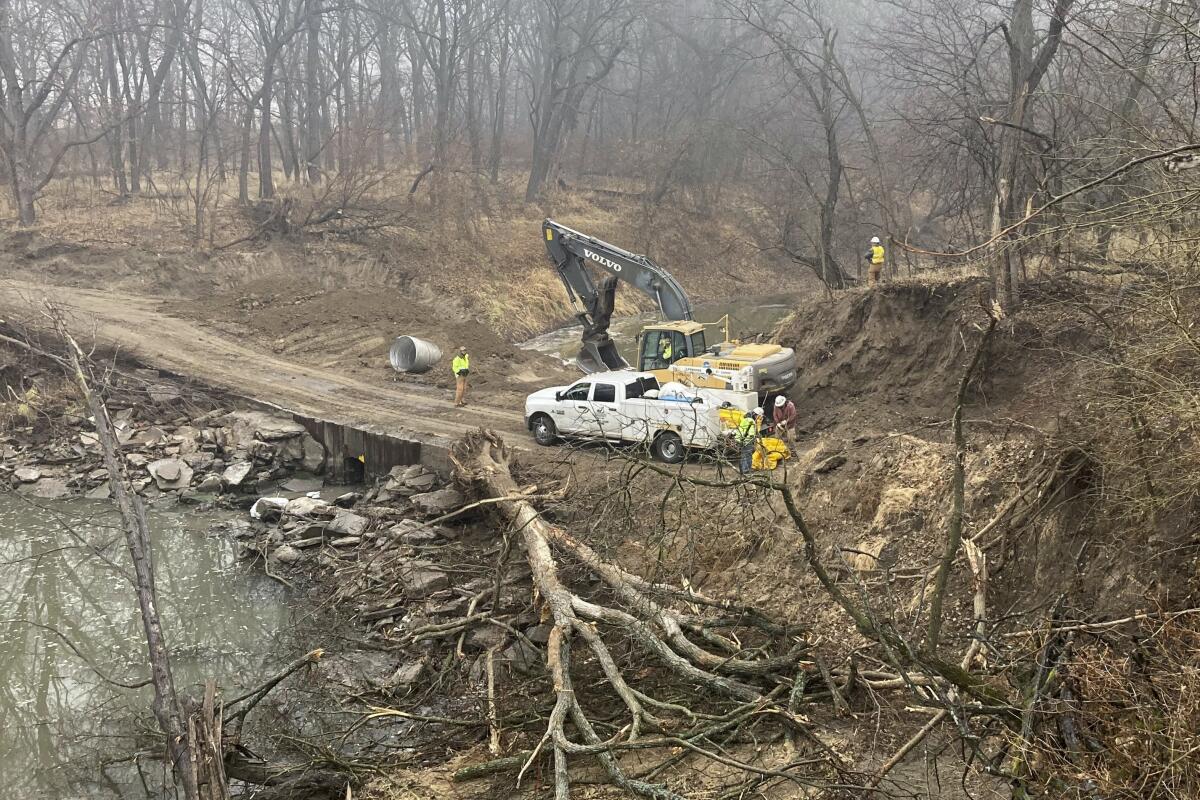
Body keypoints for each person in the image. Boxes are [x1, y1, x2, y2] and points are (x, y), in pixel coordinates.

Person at [736, 407, 762, 475]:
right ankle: (746, 471)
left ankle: (743, 470)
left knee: (743, 455)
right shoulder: (751, 421)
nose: (758, 419)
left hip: (740, 439)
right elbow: (751, 433)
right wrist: (754, 438)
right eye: (759, 417)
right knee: (747, 455)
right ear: (756, 415)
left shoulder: (746, 418)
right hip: (746, 441)